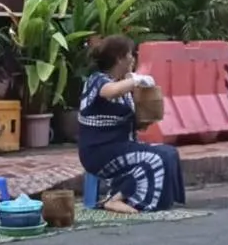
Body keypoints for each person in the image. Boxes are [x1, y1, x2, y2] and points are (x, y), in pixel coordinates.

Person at [78, 35, 186, 215]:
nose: (133, 59)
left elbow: (133, 122)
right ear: (120, 58)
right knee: (154, 159)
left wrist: (146, 117)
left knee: (168, 152)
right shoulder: (97, 80)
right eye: (130, 55)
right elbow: (109, 92)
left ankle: (165, 201)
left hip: (122, 146)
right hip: (99, 152)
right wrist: (136, 80)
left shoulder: (124, 87)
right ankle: (117, 199)